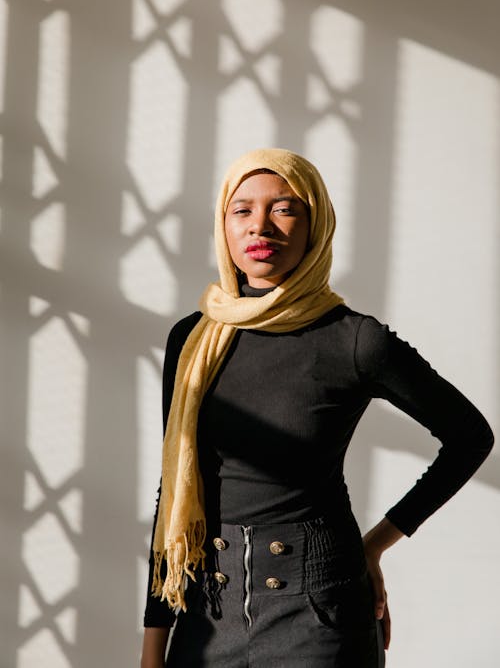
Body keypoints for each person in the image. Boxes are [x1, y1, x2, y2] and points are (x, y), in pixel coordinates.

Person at [140, 148, 494, 668]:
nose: (261, 225)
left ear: (316, 224)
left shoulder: (354, 340)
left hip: (320, 611)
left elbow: (470, 437)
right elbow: (175, 488)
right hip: (205, 612)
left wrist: (376, 544)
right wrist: (153, 647)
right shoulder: (191, 339)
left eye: (285, 209)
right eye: (242, 210)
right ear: (224, 225)